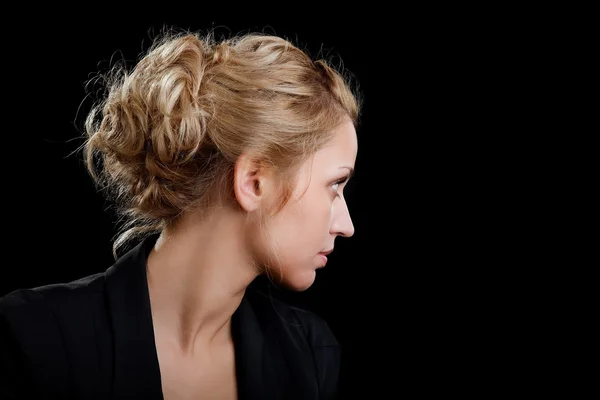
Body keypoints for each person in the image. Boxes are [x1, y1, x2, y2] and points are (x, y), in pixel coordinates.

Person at [0, 26, 361, 399]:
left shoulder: (310, 356)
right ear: (254, 182)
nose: (346, 225)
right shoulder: (34, 337)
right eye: (334, 186)